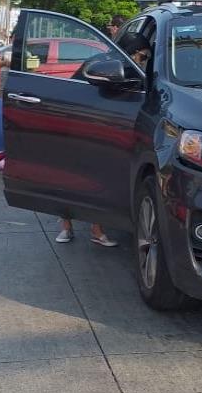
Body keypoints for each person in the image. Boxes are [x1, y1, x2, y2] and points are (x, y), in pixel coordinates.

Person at [56, 33, 152, 248]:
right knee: (73, 179)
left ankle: (96, 229)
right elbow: (77, 94)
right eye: (143, 56)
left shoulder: (131, 70)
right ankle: (66, 226)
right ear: (133, 52)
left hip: (105, 131)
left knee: (98, 180)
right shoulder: (102, 65)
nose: (144, 61)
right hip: (82, 128)